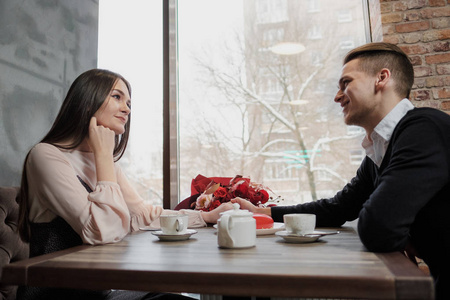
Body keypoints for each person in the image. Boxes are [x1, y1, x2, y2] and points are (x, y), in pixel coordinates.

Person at [232, 42, 450, 300]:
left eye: (345, 83)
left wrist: (396, 231)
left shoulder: (422, 129)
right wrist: (263, 212)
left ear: (382, 78)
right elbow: (338, 208)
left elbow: (378, 227)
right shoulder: (379, 151)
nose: (337, 96)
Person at [17, 68, 233, 300]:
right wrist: (103, 156)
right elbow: (102, 232)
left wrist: (206, 217)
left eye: (129, 102)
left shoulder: (105, 164)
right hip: (55, 294)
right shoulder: (46, 156)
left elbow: (143, 216)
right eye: (117, 97)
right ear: (88, 101)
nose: (127, 108)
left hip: (100, 291)